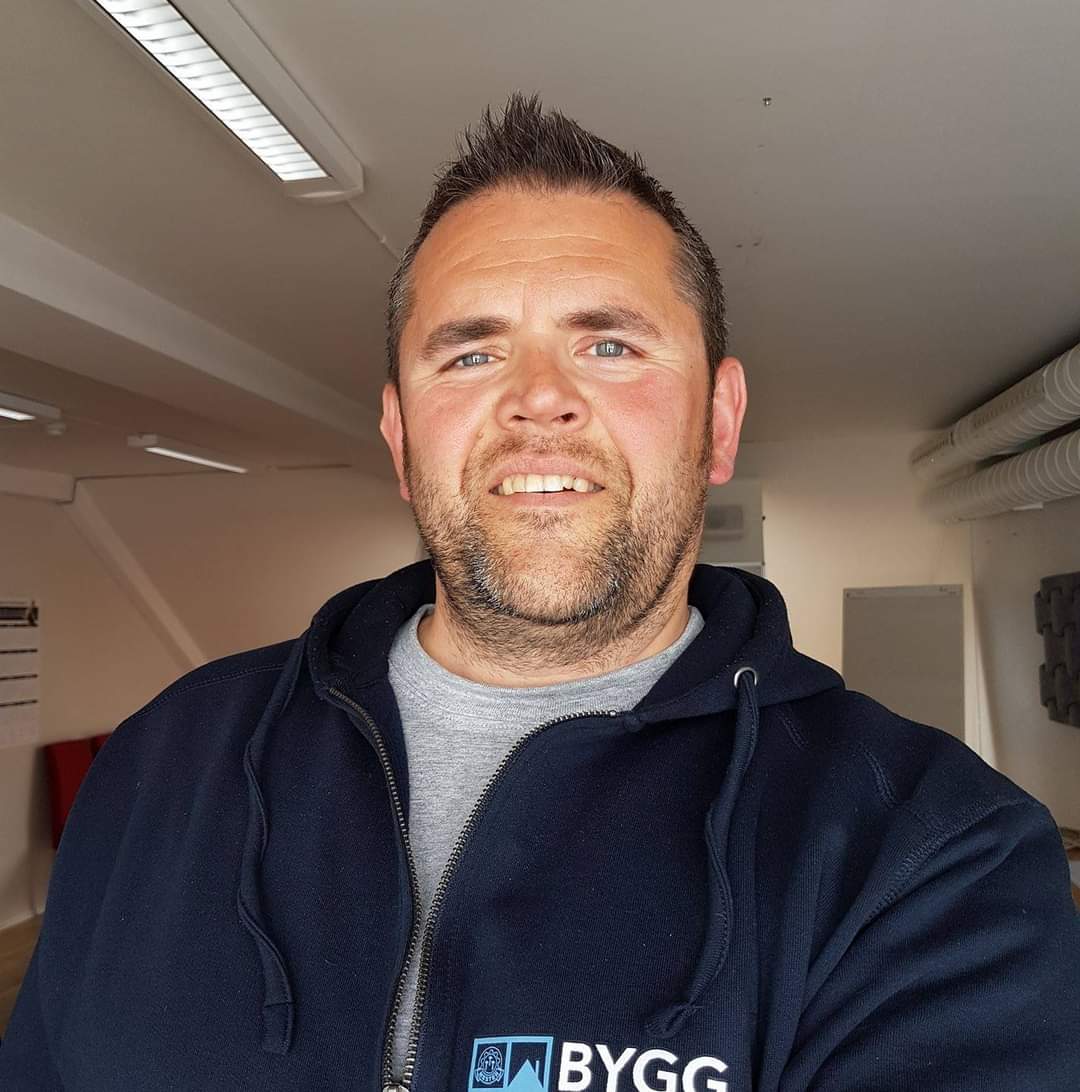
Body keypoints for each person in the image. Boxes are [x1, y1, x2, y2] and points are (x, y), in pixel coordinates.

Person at [2, 94, 1078, 1092]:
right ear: (400, 435)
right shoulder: (166, 760)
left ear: (717, 422)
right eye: (471, 357)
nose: (540, 401)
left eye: (609, 344)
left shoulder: (933, 853)